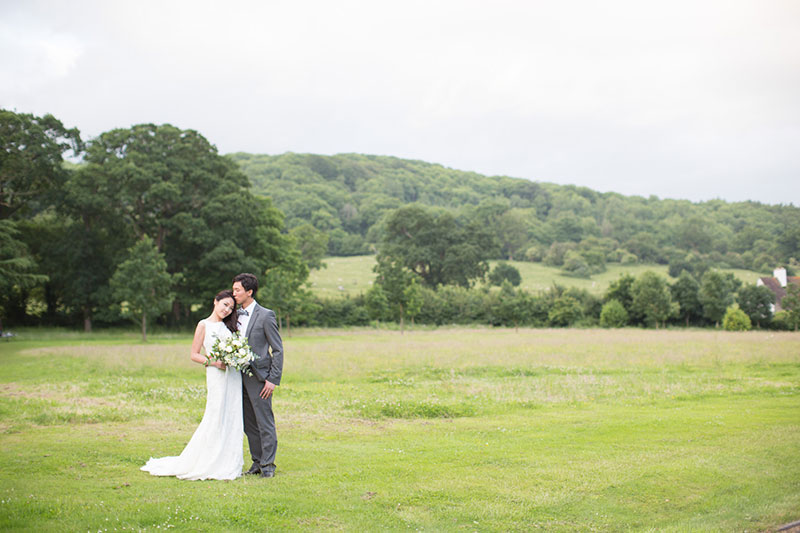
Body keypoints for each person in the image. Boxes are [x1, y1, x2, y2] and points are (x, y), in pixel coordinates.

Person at [140, 290, 243, 480]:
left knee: (233, 413)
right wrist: (214, 363)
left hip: (233, 376)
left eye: (231, 307)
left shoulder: (230, 326)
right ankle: (209, 459)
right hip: (217, 374)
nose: (227, 310)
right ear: (215, 302)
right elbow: (194, 354)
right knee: (216, 413)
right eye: (225, 305)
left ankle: (229, 460)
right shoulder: (203, 325)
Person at [232, 273, 284, 478]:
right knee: (248, 423)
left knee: (264, 422)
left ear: (249, 292)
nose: (234, 293)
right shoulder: (233, 314)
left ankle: (269, 465)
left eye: (237, 290)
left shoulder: (266, 315)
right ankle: (257, 462)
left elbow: (277, 349)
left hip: (260, 378)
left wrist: (272, 379)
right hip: (237, 377)